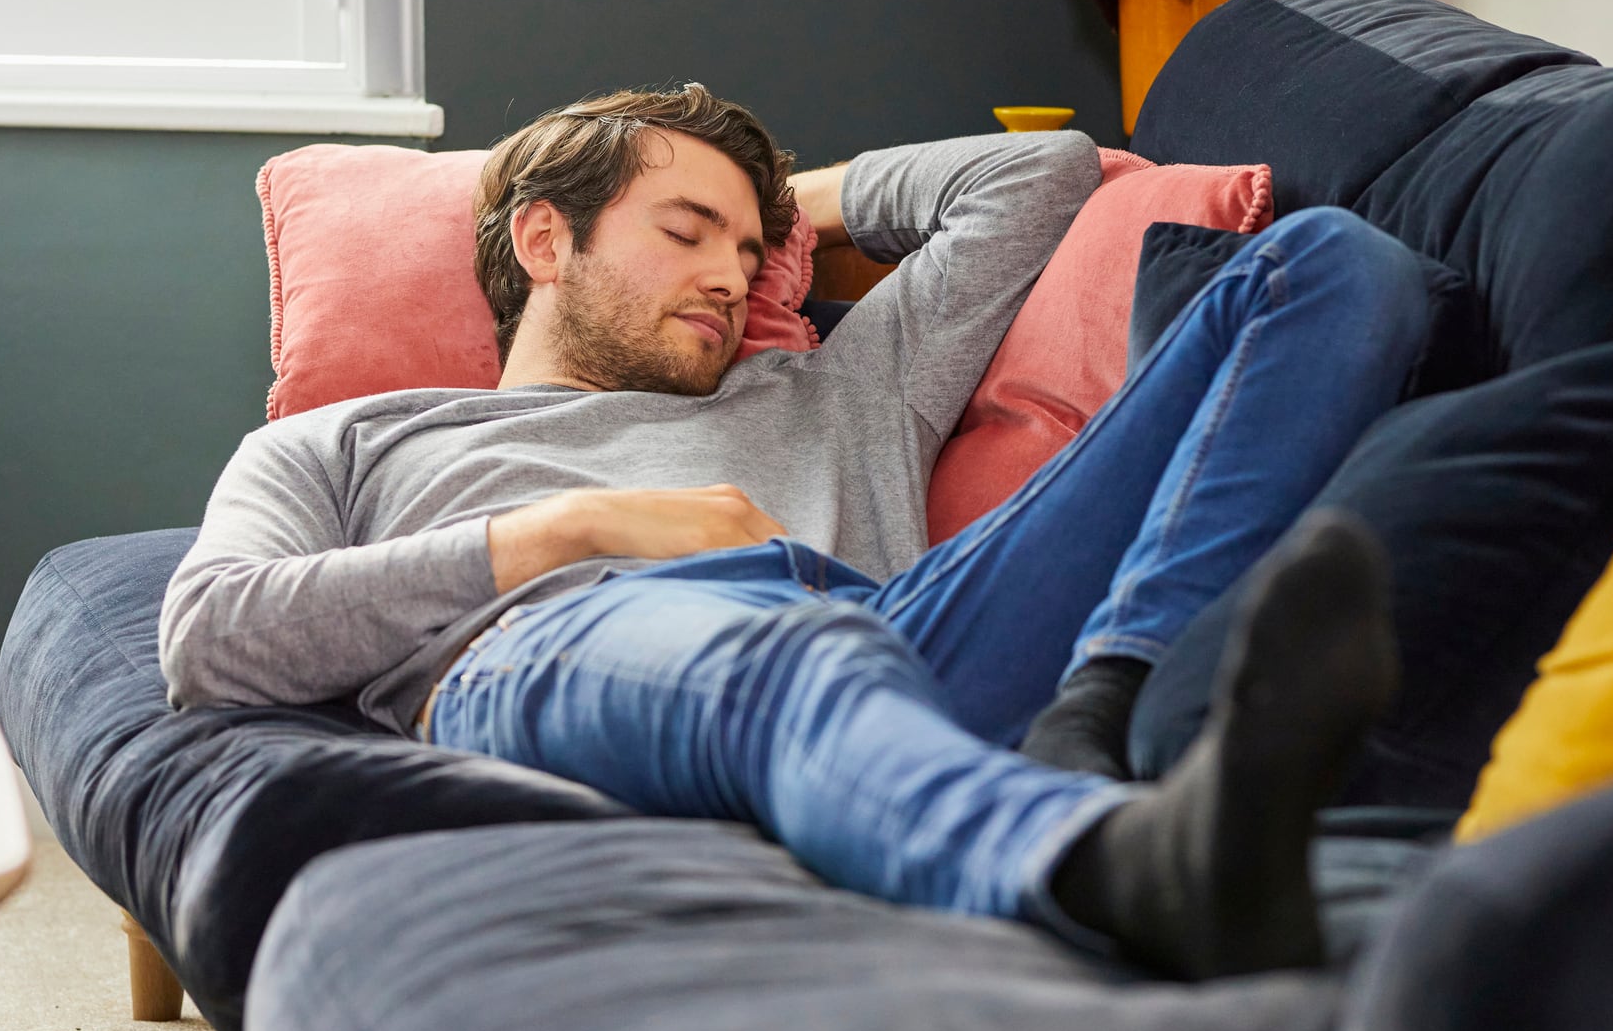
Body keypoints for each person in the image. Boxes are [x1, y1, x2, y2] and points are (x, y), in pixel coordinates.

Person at [161, 83, 1430, 981]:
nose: (731, 272)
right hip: (568, 642)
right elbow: (210, 636)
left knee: (1330, 264)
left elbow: (1040, 171)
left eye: (751, 246)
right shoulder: (352, 437)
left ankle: (1101, 703)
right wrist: (573, 528)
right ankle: (1119, 863)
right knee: (787, 655)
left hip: (903, 630)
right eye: (683, 231)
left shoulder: (843, 381)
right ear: (545, 239)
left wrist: (785, 200)